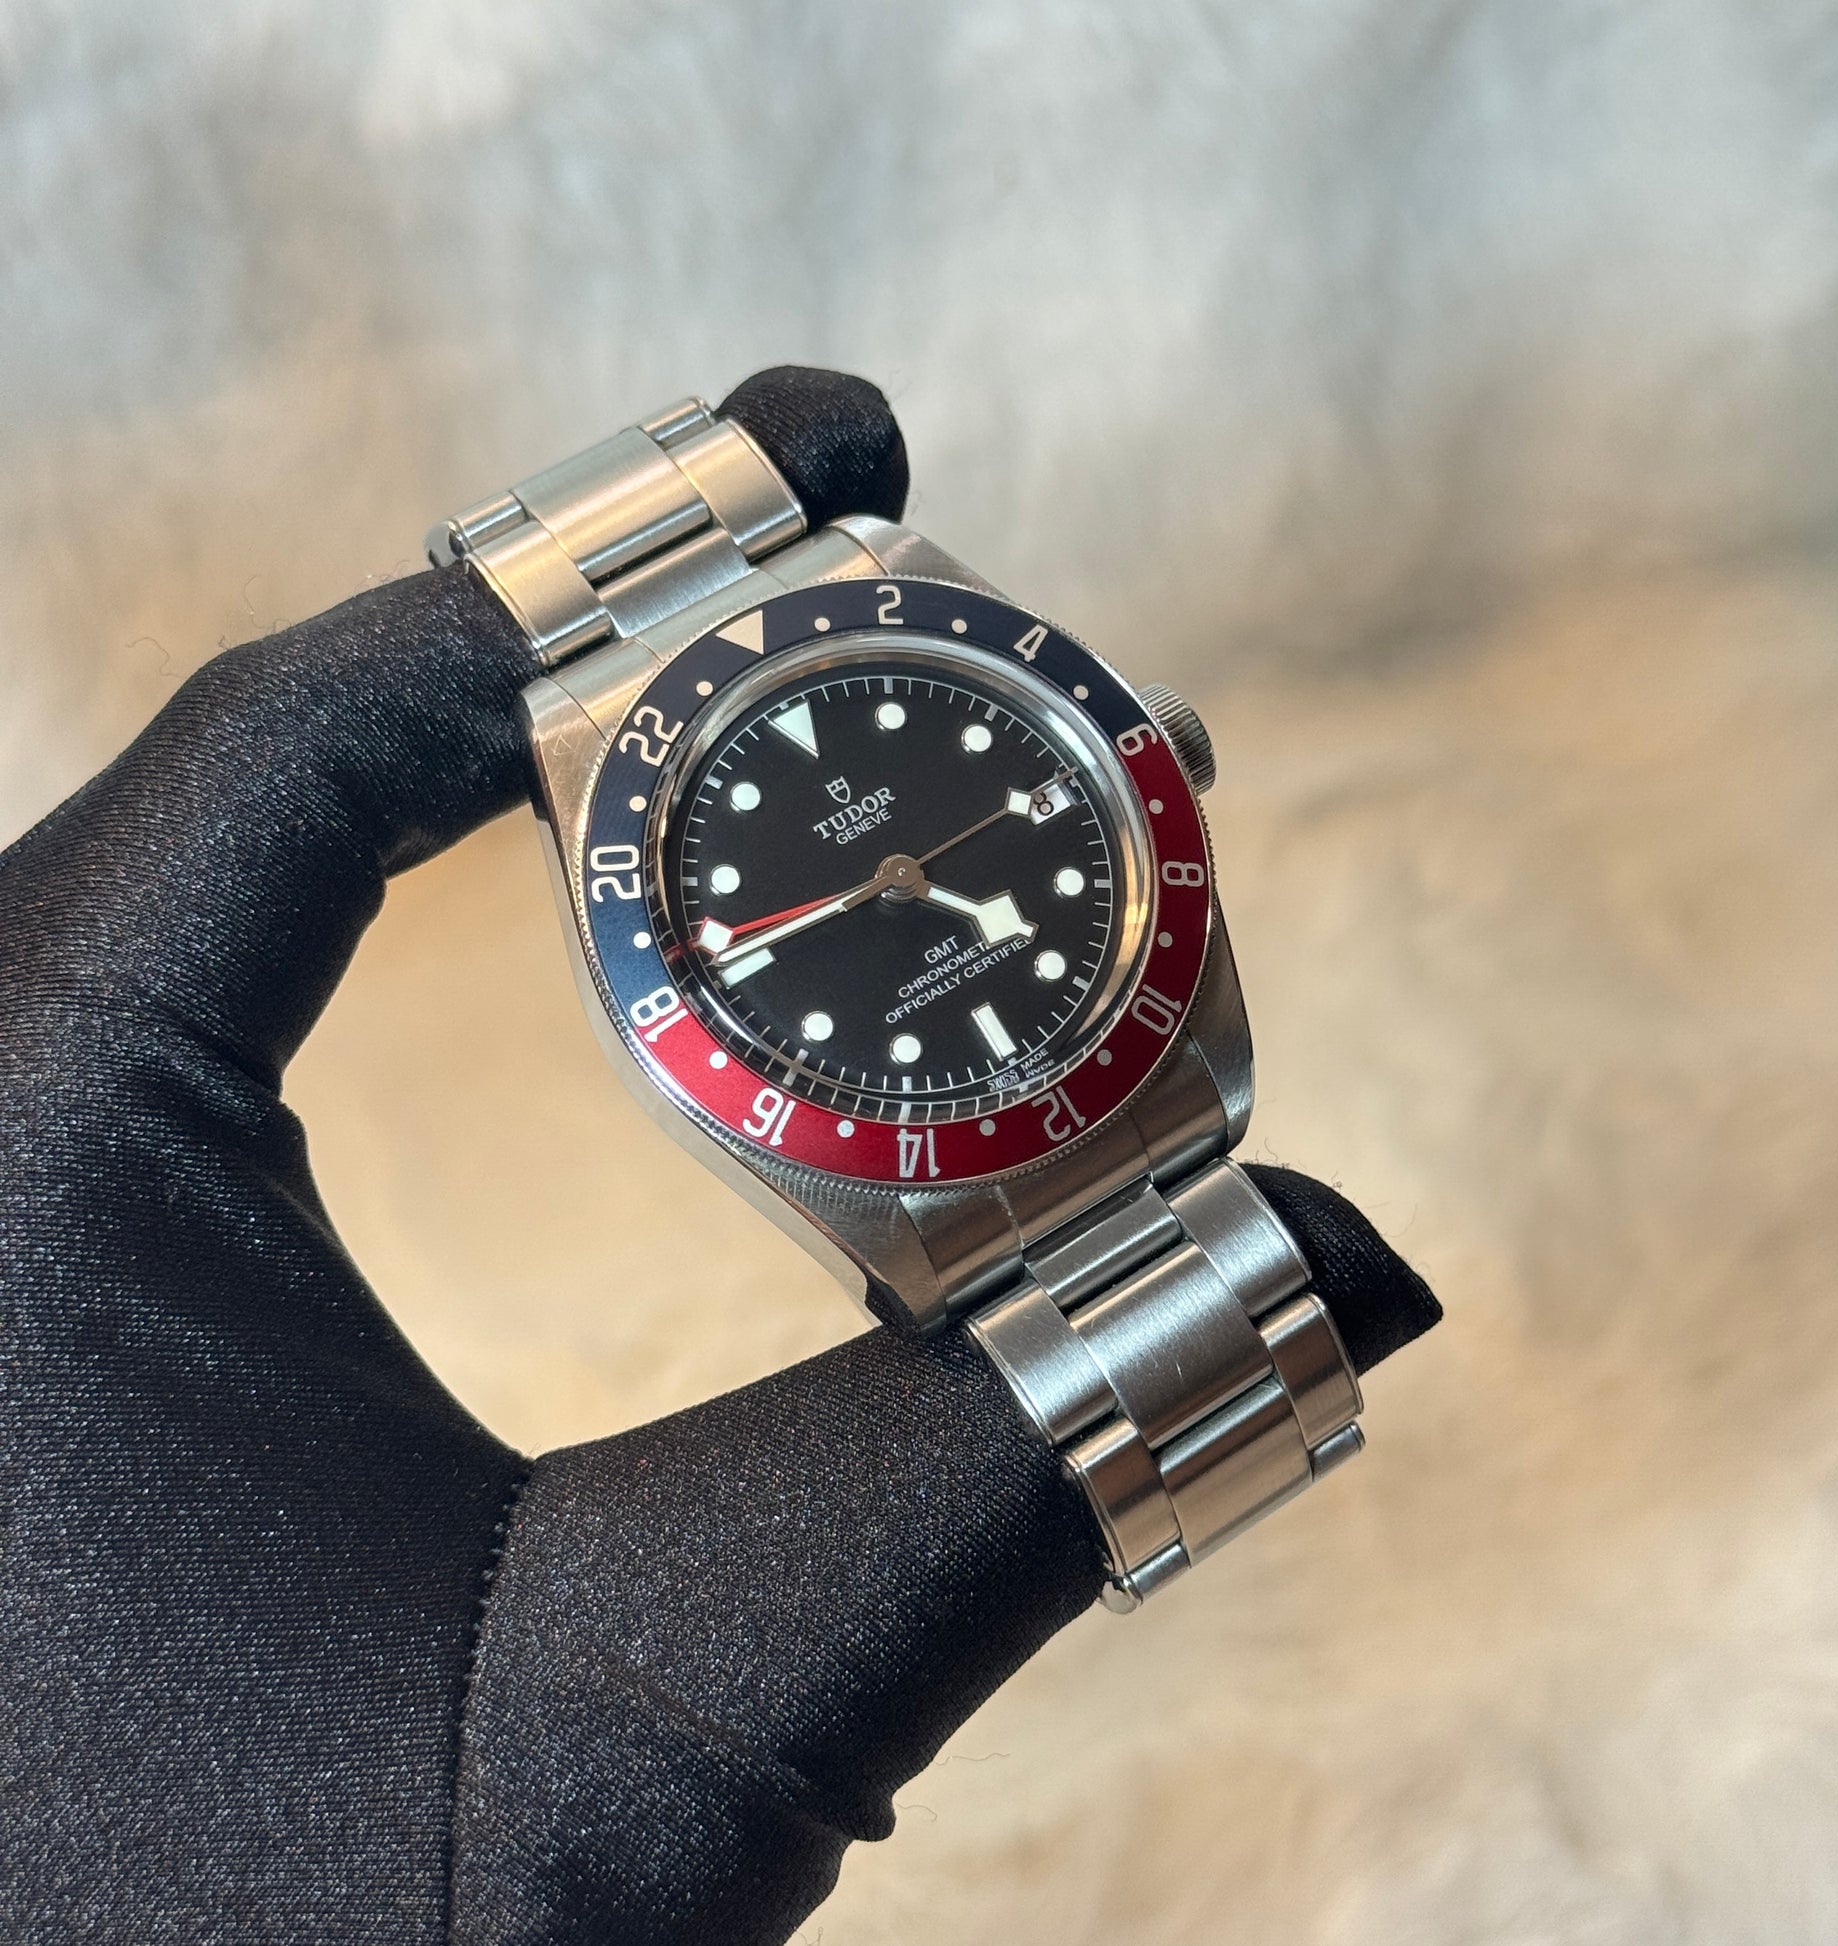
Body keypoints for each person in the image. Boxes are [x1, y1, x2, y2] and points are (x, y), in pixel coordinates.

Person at [0, 367, 1439, 1943]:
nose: (892, 878)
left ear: (1146, 758)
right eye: (862, 888)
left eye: (901, 865)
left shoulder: (947, 697)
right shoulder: (654, 871)